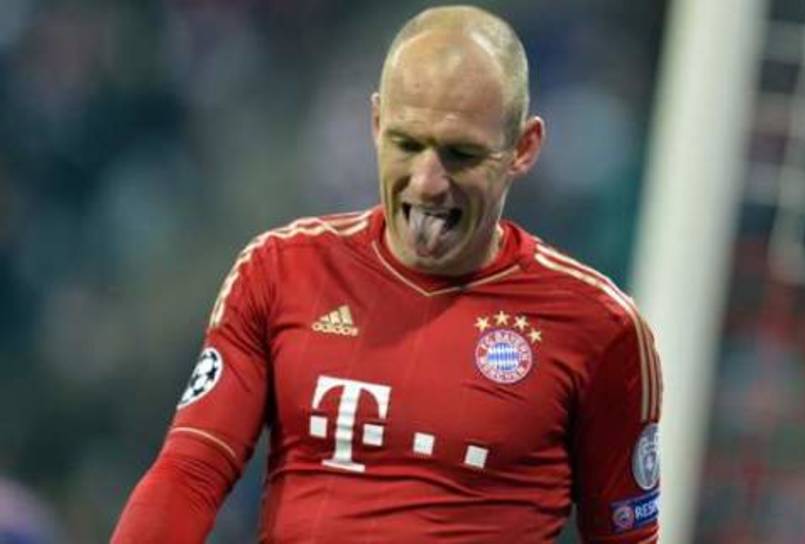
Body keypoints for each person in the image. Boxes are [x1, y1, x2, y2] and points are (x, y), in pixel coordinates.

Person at [112, 5, 661, 543]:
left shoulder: (599, 328)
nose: (427, 182)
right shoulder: (281, 271)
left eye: (461, 154)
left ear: (523, 148)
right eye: (407, 143)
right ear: (376, 124)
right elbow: (190, 474)